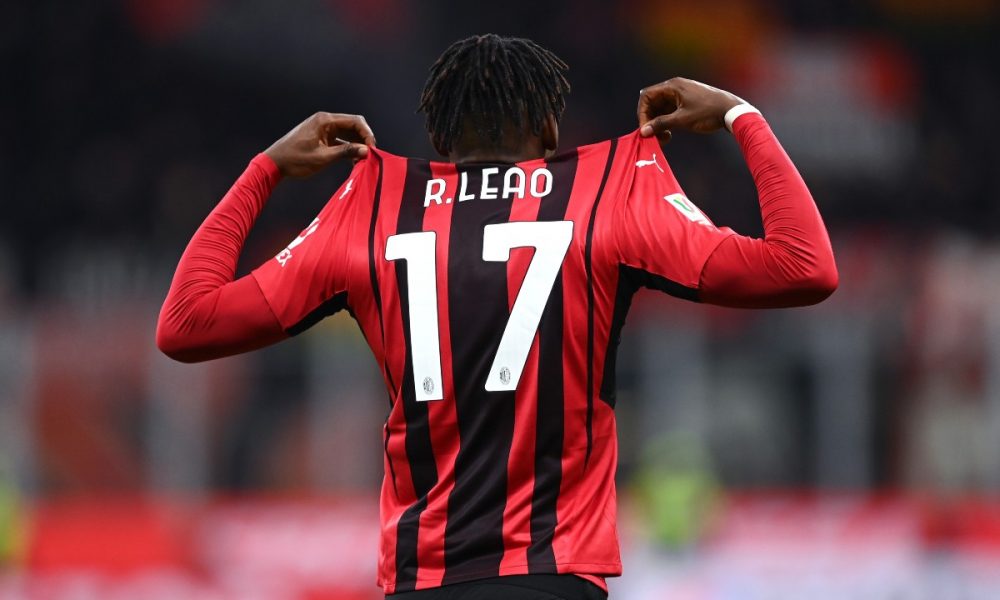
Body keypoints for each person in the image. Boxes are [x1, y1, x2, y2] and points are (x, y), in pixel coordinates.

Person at [157, 34, 837, 600]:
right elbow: (805, 266)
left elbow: (185, 323)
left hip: (425, 580)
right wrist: (742, 117)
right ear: (550, 130)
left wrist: (266, 170)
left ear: (439, 138)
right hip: (552, 575)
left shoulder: (371, 210)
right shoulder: (608, 195)